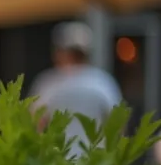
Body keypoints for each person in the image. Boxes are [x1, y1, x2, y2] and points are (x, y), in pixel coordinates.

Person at [29, 21, 123, 155]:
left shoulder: (48, 83)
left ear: (59, 52)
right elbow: (118, 125)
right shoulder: (103, 82)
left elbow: (35, 124)